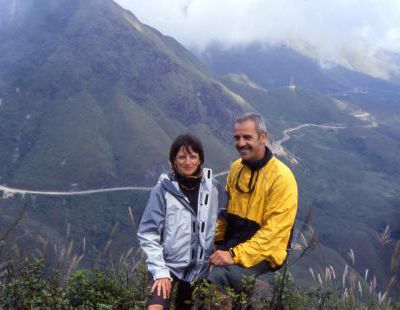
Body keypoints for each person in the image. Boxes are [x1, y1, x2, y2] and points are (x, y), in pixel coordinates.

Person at [208, 112, 298, 297]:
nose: (241, 143)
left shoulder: (282, 177)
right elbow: (224, 212)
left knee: (217, 278)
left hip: (265, 253)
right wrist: (216, 243)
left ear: (263, 137)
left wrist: (232, 255)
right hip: (234, 244)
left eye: (247, 137)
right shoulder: (236, 168)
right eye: (237, 137)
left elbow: (273, 234)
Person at [137, 134, 227, 310]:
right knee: (156, 307)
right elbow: (148, 233)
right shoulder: (163, 190)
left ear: (200, 159)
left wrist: (220, 250)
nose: (188, 162)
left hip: (201, 268)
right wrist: (160, 272)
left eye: (193, 156)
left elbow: (223, 220)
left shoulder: (213, 188)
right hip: (169, 266)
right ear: (173, 160)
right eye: (182, 157)